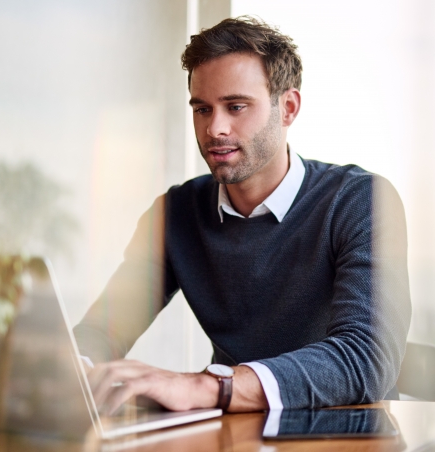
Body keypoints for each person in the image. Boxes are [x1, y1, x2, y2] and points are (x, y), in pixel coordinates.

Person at [73, 16, 411, 414]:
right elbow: (102, 330)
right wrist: (75, 369)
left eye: (236, 106)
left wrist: (210, 386)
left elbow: (366, 358)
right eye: (202, 109)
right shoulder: (176, 213)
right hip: (231, 432)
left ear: (287, 108)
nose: (215, 128)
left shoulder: (359, 200)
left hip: (338, 434)